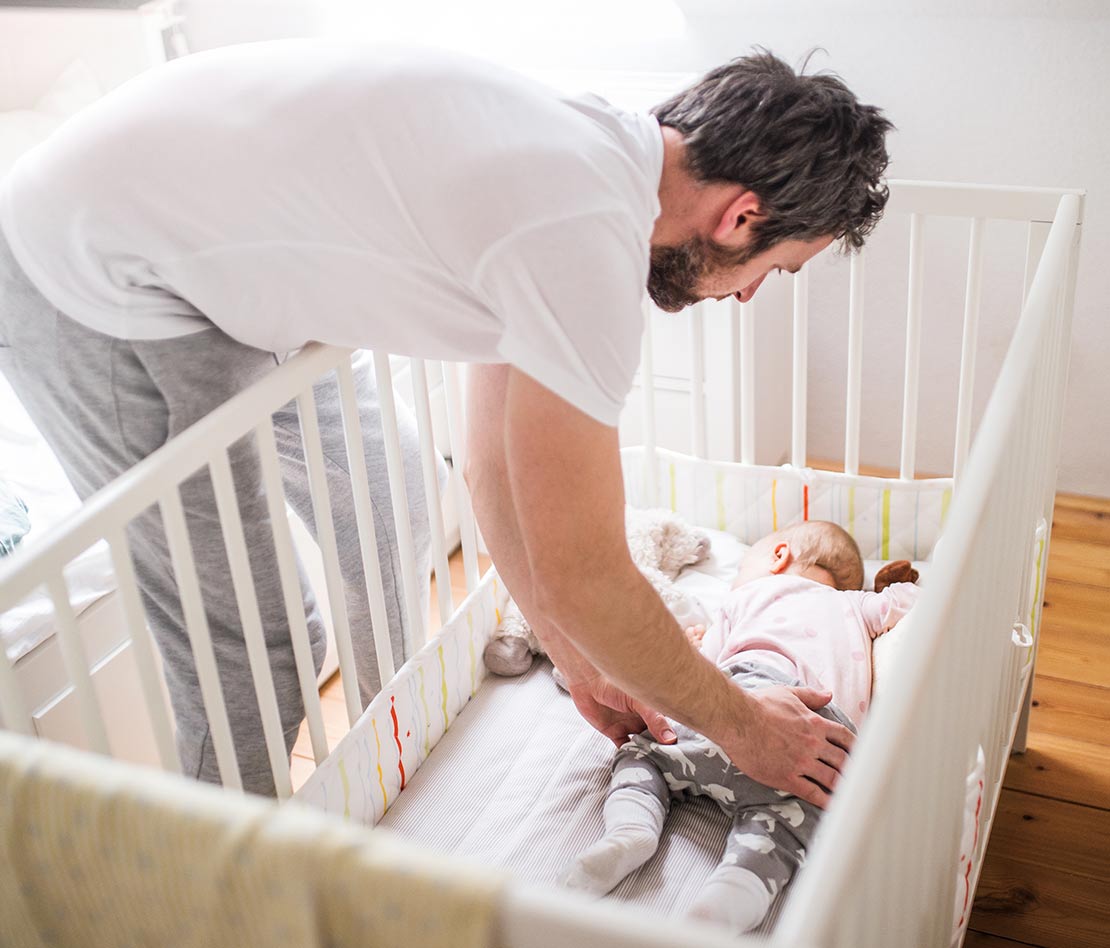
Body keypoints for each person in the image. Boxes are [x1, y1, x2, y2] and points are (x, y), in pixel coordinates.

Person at [0, 40, 892, 798]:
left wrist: (574, 656)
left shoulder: (589, 162)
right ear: (742, 218)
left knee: (395, 503)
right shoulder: (581, 238)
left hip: (215, 267)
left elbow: (494, 466)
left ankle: (377, 774)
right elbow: (584, 567)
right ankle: (218, 890)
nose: (748, 297)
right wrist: (746, 728)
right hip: (94, 273)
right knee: (255, 648)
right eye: (776, 268)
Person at [558, 521, 920, 933]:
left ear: (778, 556)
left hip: (735, 697)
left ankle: (631, 828)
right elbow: (915, 601)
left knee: (646, 751)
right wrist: (887, 585)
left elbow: (699, 681)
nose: (737, 579)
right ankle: (733, 894)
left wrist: (695, 647)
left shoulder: (744, 597)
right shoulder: (856, 606)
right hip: (814, 732)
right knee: (795, 819)